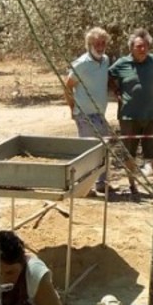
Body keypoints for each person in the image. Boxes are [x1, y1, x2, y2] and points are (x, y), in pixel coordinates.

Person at [108, 28, 153, 201]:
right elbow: (108, 76)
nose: (142, 49)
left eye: (145, 46)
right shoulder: (122, 63)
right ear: (131, 48)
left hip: (152, 115)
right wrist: (116, 91)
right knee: (129, 154)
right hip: (128, 117)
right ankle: (133, 186)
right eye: (139, 46)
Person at [64, 26, 111, 196]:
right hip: (84, 115)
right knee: (87, 151)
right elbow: (68, 86)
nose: (100, 46)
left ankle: (101, 183)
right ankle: (84, 187)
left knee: (103, 148)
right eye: (96, 43)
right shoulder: (82, 64)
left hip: (100, 114)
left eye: (103, 43)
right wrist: (73, 108)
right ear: (89, 44)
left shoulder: (105, 60)